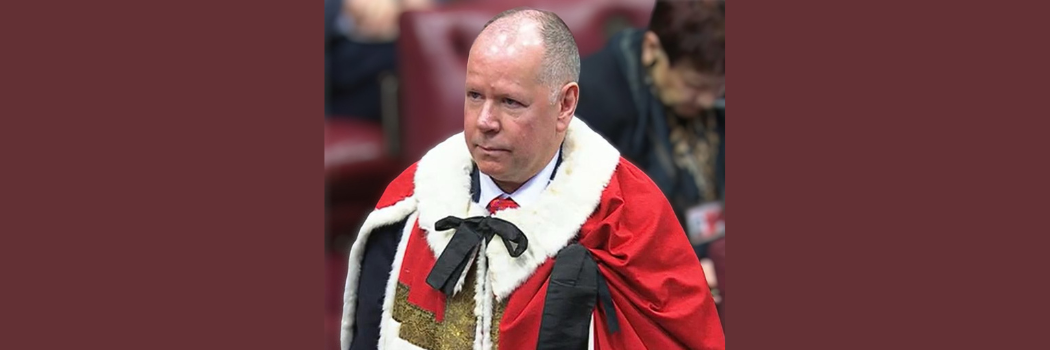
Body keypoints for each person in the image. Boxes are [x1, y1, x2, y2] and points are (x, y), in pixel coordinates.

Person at [340, 7, 724, 350]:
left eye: (510, 101)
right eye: (474, 96)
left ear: (566, 105)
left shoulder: (630, 218)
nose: (485, 122)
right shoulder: (410, 207)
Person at [574, 0, 727, 321]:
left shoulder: (715, 102)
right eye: (694, 85)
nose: (705, 101)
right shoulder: (596, 99)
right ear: (651, 49)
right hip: (649, 277)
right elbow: (590, 224)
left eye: (717, 89)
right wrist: (680, 271)